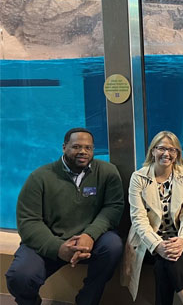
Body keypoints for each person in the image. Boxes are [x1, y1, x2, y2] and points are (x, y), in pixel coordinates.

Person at [5, 128, 124, 305]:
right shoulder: (40, 177)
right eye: (76, 146)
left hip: (89, 240)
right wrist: (58, 248)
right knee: (19, 277)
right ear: (64, 147)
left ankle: (87, 300)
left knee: (113, 245)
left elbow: (113, 207)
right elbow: (29, 222)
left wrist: (90, 235)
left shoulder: (107, 172)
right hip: (50, 240)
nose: (83, 152)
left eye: (88, 148)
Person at [123, 131, 183, 305]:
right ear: (153, 151)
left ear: (177, 154)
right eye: (162, 148)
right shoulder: (138, 178)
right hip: (148, 239)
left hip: (178, 236)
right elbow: (138, 219)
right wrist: (157, 245)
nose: (167, 153)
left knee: (168, 259)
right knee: (167, 260)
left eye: (172, 150)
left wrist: (182, 240)